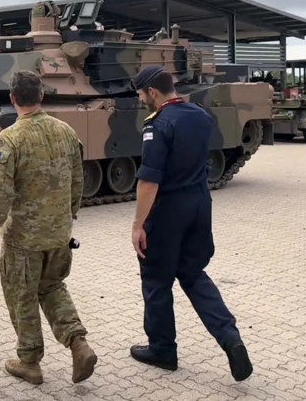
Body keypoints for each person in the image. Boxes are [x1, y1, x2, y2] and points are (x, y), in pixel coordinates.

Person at [129, 64, 253, 382]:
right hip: (199, 205)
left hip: (169, 210)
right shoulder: (199, 114)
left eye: (142, 94)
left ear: (153, 92)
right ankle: (230, 338)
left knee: (157, 280)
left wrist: (138, 224)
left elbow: (148, 182)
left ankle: (162, 350)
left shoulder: (157, 124)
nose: (142, 99)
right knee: (193, 274)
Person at [0, 70, 97, 386]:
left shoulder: (10, 138)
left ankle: (29, 362)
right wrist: (69, 214)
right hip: (59, 233)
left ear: (13, 99)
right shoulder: (66, 132)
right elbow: (77, 180)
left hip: (24, 239)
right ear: (42, 96)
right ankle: (77, 342)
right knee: (52, 286)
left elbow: (0, 191)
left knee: (23, 295)